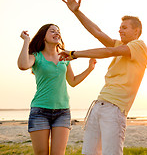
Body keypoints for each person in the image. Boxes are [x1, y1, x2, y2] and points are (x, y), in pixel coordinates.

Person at [60, 0, 147, 155]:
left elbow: (108, 52)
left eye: (124, 28)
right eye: (119, 28)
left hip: (115, 109)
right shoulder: (118, 45)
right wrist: (77, 12)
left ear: (136, 31)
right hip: (99, 105)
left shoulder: (139, 46)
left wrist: (74, 54)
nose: (120, 30)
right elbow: (97, 31)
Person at [17, 24, 96, 155]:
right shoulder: (36, 56)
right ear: (43, 37)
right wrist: (26, 41)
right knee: (41, 153)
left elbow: (73, 81)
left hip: (62, 112)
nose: (57, 33)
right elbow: (23, 65)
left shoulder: (64, 57)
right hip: (40, 111)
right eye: (52, 31)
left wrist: (89, 69)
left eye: (58, 31)